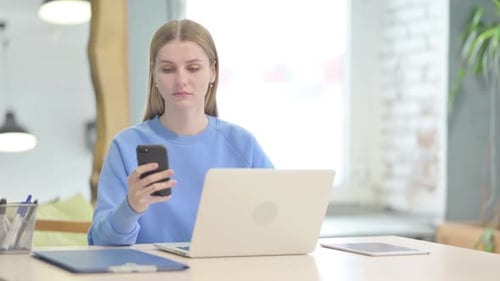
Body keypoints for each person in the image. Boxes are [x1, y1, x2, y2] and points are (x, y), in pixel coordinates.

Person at [87, 19, 273, 246]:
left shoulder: (242, 144)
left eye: (193, 68)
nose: (181, 80)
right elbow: (99, 243)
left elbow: (277, 220)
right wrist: (131, 207)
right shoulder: (125, 146)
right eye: (167, 69)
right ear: (154, 75)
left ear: (213, 72)